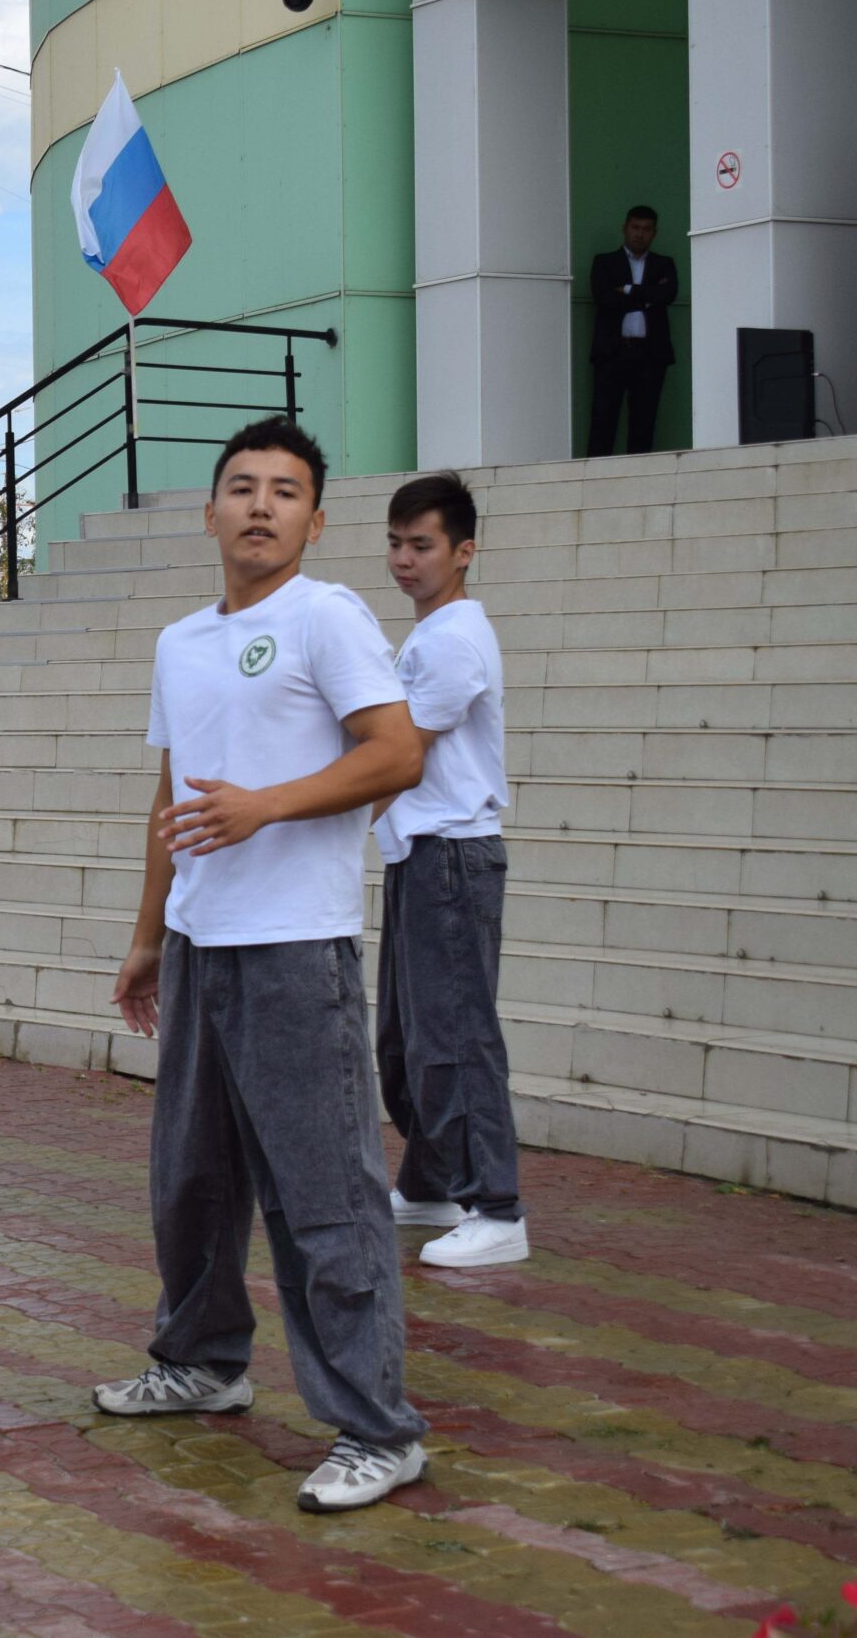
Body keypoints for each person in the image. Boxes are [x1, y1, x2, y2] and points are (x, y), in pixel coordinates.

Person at [100, 416, 430, 1514]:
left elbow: (397, 751)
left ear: (314, 522)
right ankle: (202, 1361)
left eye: (284, 492)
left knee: (324, 1196)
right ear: (210, 512)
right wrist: (150, 934)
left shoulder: (325, 615)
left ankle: (377, 1428)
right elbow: (172, 796)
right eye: (241, 487)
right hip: (203, 945)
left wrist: (269, 807)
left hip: (295, 948)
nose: (259, 506)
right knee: (190, 1181)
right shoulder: (180, 642)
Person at [377, 474, 525, 1267]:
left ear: (464, 552)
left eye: (422, 545)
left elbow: (394, 758)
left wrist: (296, 825)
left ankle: (496, 1209)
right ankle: (432, 1182)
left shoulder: (454, 640)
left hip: (452, 855)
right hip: (419, 853)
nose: (405, 559)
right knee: (406, 1040)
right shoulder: (429, 634)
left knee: (456, 1039)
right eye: (396, 543)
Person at [586, 204, 678, 457]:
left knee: (644, 424)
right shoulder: (605, 262)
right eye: (635, 227)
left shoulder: (663, 264)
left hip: (650, 354)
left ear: (654, 233)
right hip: (612, 352)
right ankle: (597, 475)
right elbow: (604, 299)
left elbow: (668, 294)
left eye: (646, 229)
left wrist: (627, 290)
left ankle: (639, 477)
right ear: (625, 229)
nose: (639, 234)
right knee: (603, 421)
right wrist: (647, 298)